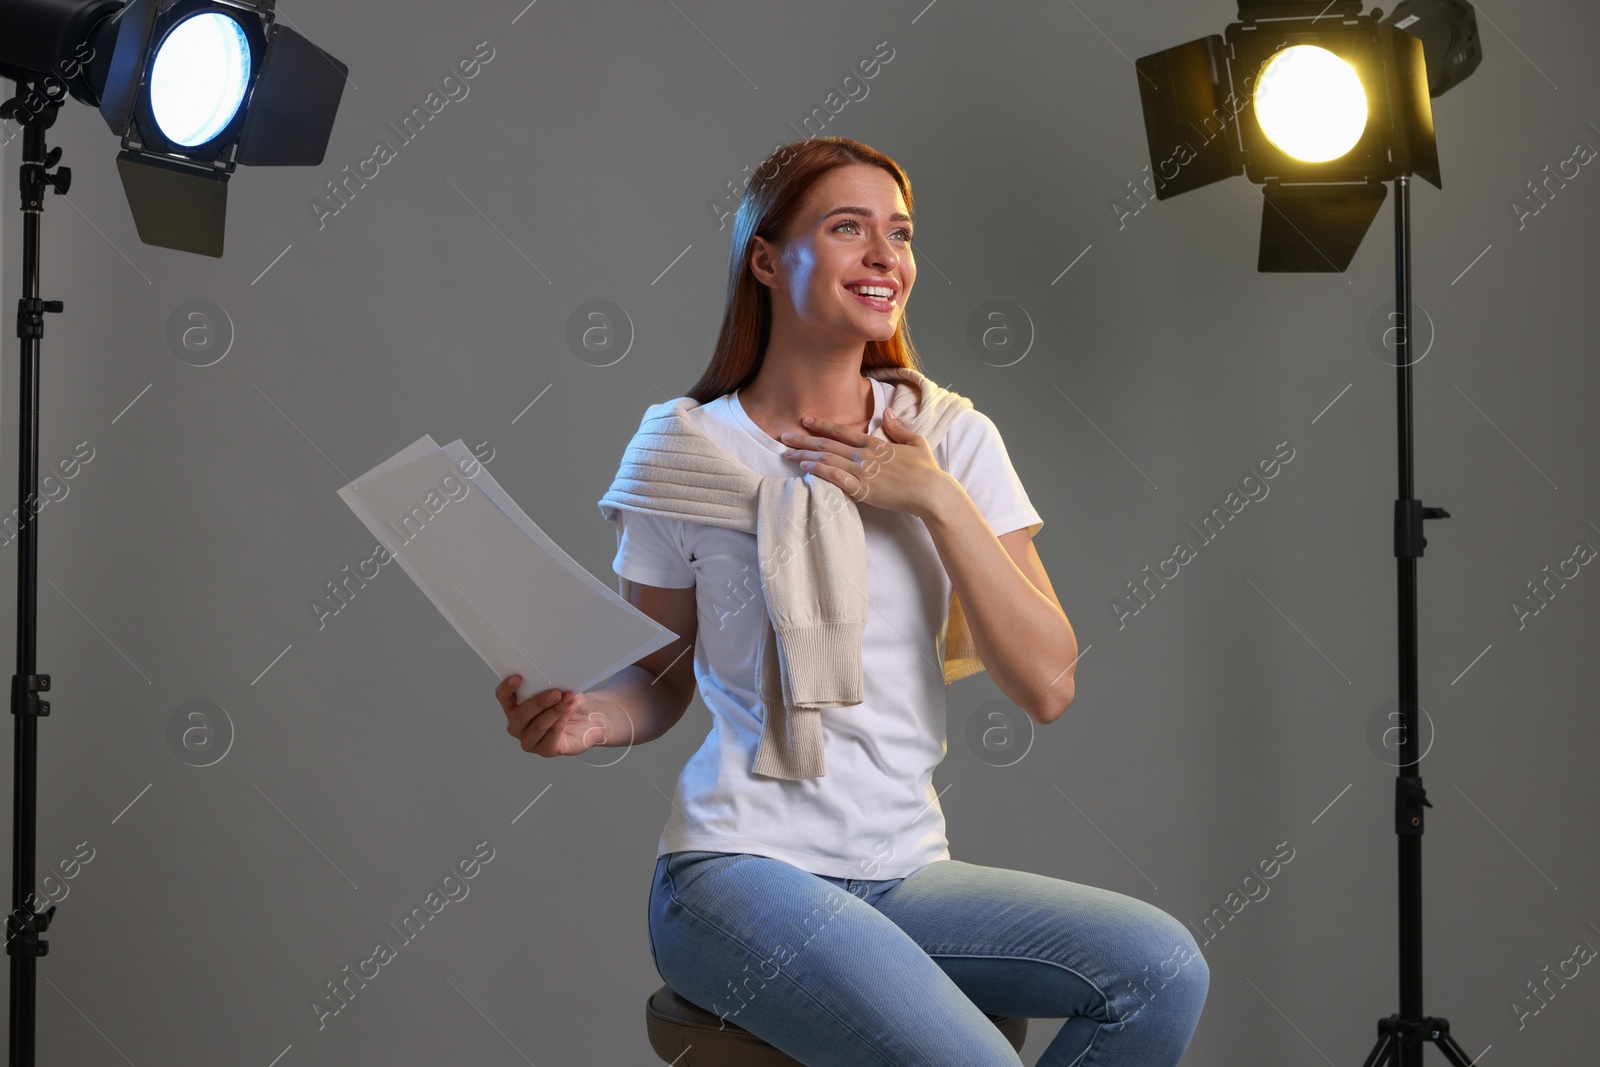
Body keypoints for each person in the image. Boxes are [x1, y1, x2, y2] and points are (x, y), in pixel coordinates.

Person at [494, 137, 1208, 1066]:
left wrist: (932, 498)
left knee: (1160, 969)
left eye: (900, 233)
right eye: (847, 228)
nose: (886, 257)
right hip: (736, 871)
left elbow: (1047, 683)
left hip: (904, 871)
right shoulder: (685, 454)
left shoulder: (950, 438)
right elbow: (660, 680)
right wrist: (592, 717)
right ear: (765, 257)